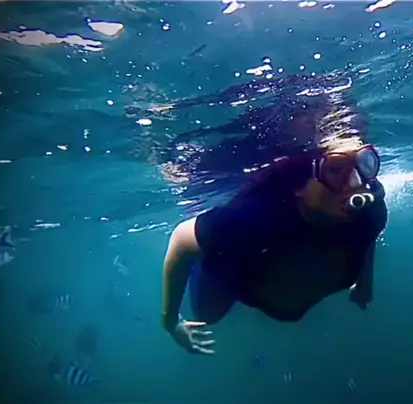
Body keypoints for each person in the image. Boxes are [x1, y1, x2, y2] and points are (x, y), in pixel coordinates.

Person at [159, 101, 388, 353]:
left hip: (279, 290)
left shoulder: (370, 209)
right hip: (234, 266)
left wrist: (365, 282)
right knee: (208, 314)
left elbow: (368, 233)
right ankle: (207, 244)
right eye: (335, 170)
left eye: (364, 165)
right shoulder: (255, 218)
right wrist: (171, 322)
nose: (356, 184)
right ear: (299, 186)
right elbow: (181, 239)